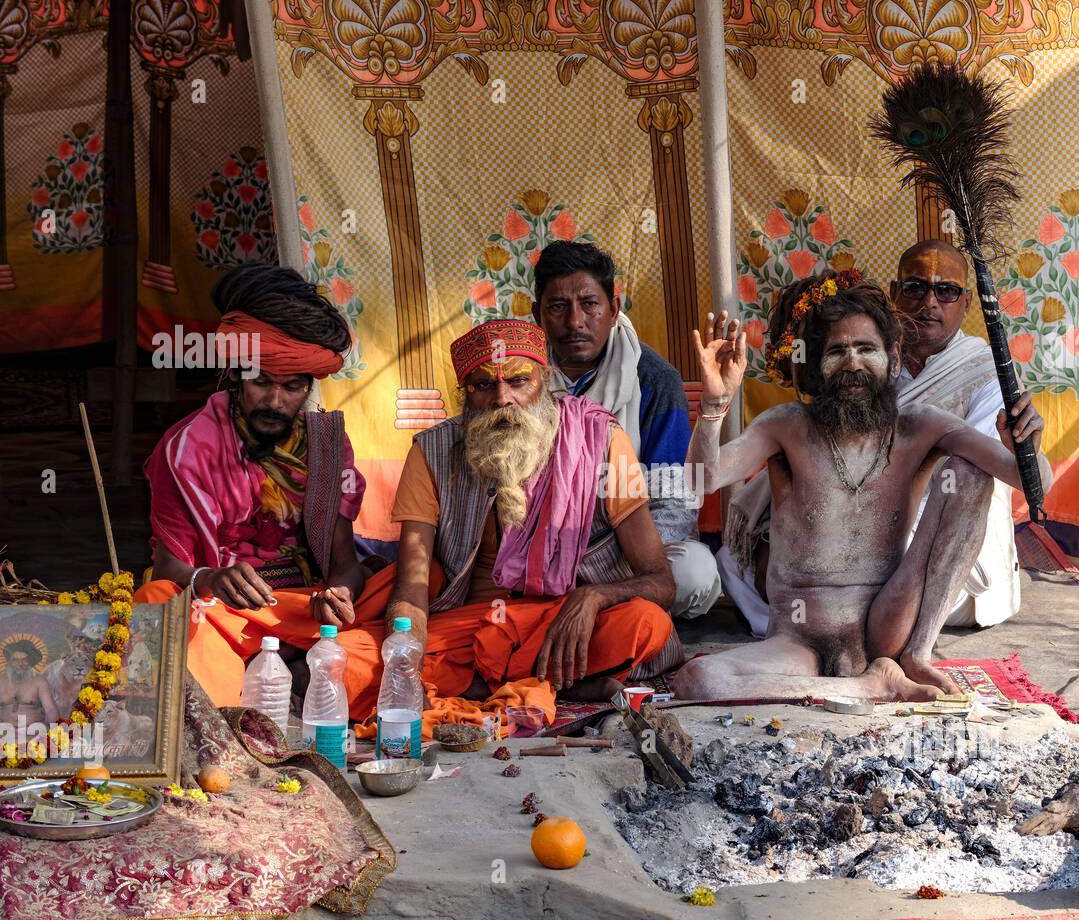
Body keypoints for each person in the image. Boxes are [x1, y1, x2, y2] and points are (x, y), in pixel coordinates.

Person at [672, 272, 1053, 701]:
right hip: (799, 642)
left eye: (866, 349)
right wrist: (714, 405)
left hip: (887, 626)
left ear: (892, 357)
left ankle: (916, 656)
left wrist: (1026, 449)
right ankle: (868, 687)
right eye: (837, 351)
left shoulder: (919, 427)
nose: (852, 364)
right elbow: (700, 479)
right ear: (817, 364)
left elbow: (1032, 486)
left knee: (970, 474)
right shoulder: (787, 426)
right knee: (696, 681)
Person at [336, 317, 681, 713]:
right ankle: (550, 683)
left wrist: (594, 597)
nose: (502, 398)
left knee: (646, 624)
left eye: (518, 381)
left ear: (544, 381)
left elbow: (661, 582)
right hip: (473, 627)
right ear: (464, 394)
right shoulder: (431, 453)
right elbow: (412, 585)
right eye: (484, 385)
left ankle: (492, 683)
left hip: (567, 625)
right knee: (349, 659)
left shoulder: (600, 440)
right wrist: (405, 668)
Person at [135, 263, 384, 706]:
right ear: (235, 375)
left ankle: (281, 666)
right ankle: (279, 670)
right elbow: (169, 571)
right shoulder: (186, 448)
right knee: (156, 602)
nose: (274, 400)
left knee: (411, 592)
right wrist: (211, 578)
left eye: (291, 387)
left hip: (305, 611)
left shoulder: (326, 444)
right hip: (225, 615)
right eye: (261, 382)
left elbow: (344, 563)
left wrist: (340, 594)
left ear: (308, 386)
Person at [535, 241, 721, 619]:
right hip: (540, 547)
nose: (575, 322)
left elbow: (674, 503)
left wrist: (603, 560)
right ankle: (611, 614)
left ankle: (600, 605)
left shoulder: (653, 379)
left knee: (695, 573)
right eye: (558, 307)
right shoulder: (521, 377)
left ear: (614, 309)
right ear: (536, 313)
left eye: (590, 304)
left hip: (627, 552)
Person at [0, 639, 58, 725]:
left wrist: (47, 731)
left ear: (30, 661)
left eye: (24, 659)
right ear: (9, 662)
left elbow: (50, 710)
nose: (20, 663)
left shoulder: (39, 681)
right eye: (15, 660)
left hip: (33, 733)